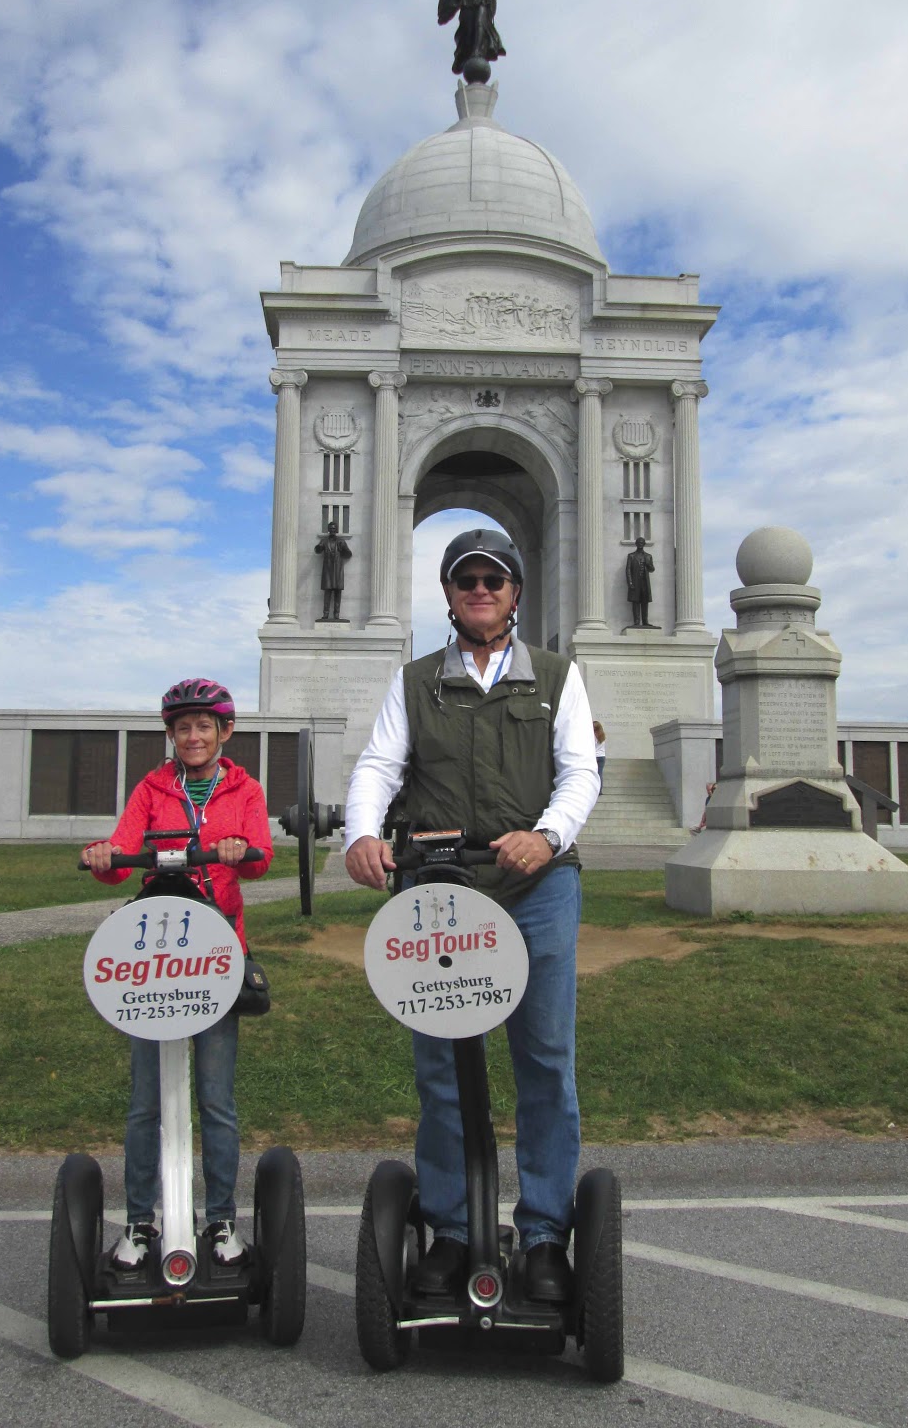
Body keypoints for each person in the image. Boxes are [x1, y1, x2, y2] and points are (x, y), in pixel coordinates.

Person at [345, 528, 599, 1304]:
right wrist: (361, 832)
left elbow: (580, 772)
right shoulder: (416, 681)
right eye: (466, 580)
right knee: (443, 1067)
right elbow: (380, 764)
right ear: (451, 596)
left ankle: (546, 1232)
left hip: (536, 886)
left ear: (515, 593)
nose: (480, 590)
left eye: (494, 579)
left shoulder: (556, 676)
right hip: (440, 889)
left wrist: (547, 835)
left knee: (544, 1059)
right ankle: (454, 1230)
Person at [82, 677, 273, 1270]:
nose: (193, 736)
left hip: (215, 955)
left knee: (216, 1100)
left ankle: (221, 1219)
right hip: (155, 962)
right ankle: (141, 1221)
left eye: (203, 727)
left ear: (224, 732)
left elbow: (261, 857)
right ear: (171, 734)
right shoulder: (152, 788)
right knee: (146, 1103)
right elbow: (121, 856)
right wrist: (103, 856)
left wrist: (240, 848)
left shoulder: (244, 789)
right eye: (182, 727)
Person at [315, 521, 351, 621]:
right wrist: (319, 547)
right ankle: (325, 614)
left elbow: (349, 554)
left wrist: (343, 549)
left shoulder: (341, 541)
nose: (332, 530)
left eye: (334, 528)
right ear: (328, 530)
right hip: (328, 570)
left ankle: (336, 614)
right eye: (331, 528)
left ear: (337, 530)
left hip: (338, 571)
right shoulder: (324, 541)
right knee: (327, 592)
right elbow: (318, 550)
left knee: (337, 593)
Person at [625, 537, 655, 626]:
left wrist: (648, 564)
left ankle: (645, 621)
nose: (640, 544)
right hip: (635, 582)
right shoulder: (631, 556)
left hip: (645, 582)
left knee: (645, 601)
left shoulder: (648, 556)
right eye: (638, 542)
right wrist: (630, 582)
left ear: (644, 544)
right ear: (636, 544)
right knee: (636, 601)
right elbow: (628, 570)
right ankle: (637, 621)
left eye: (642, 543)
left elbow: (652, 569)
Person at [593, 720, 606, 793]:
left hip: (595, 756)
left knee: (594, 774)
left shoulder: (593, 736)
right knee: (600, 773)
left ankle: (595, 790)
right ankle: (600, 790)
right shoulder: (602, 736)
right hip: (602, 756)